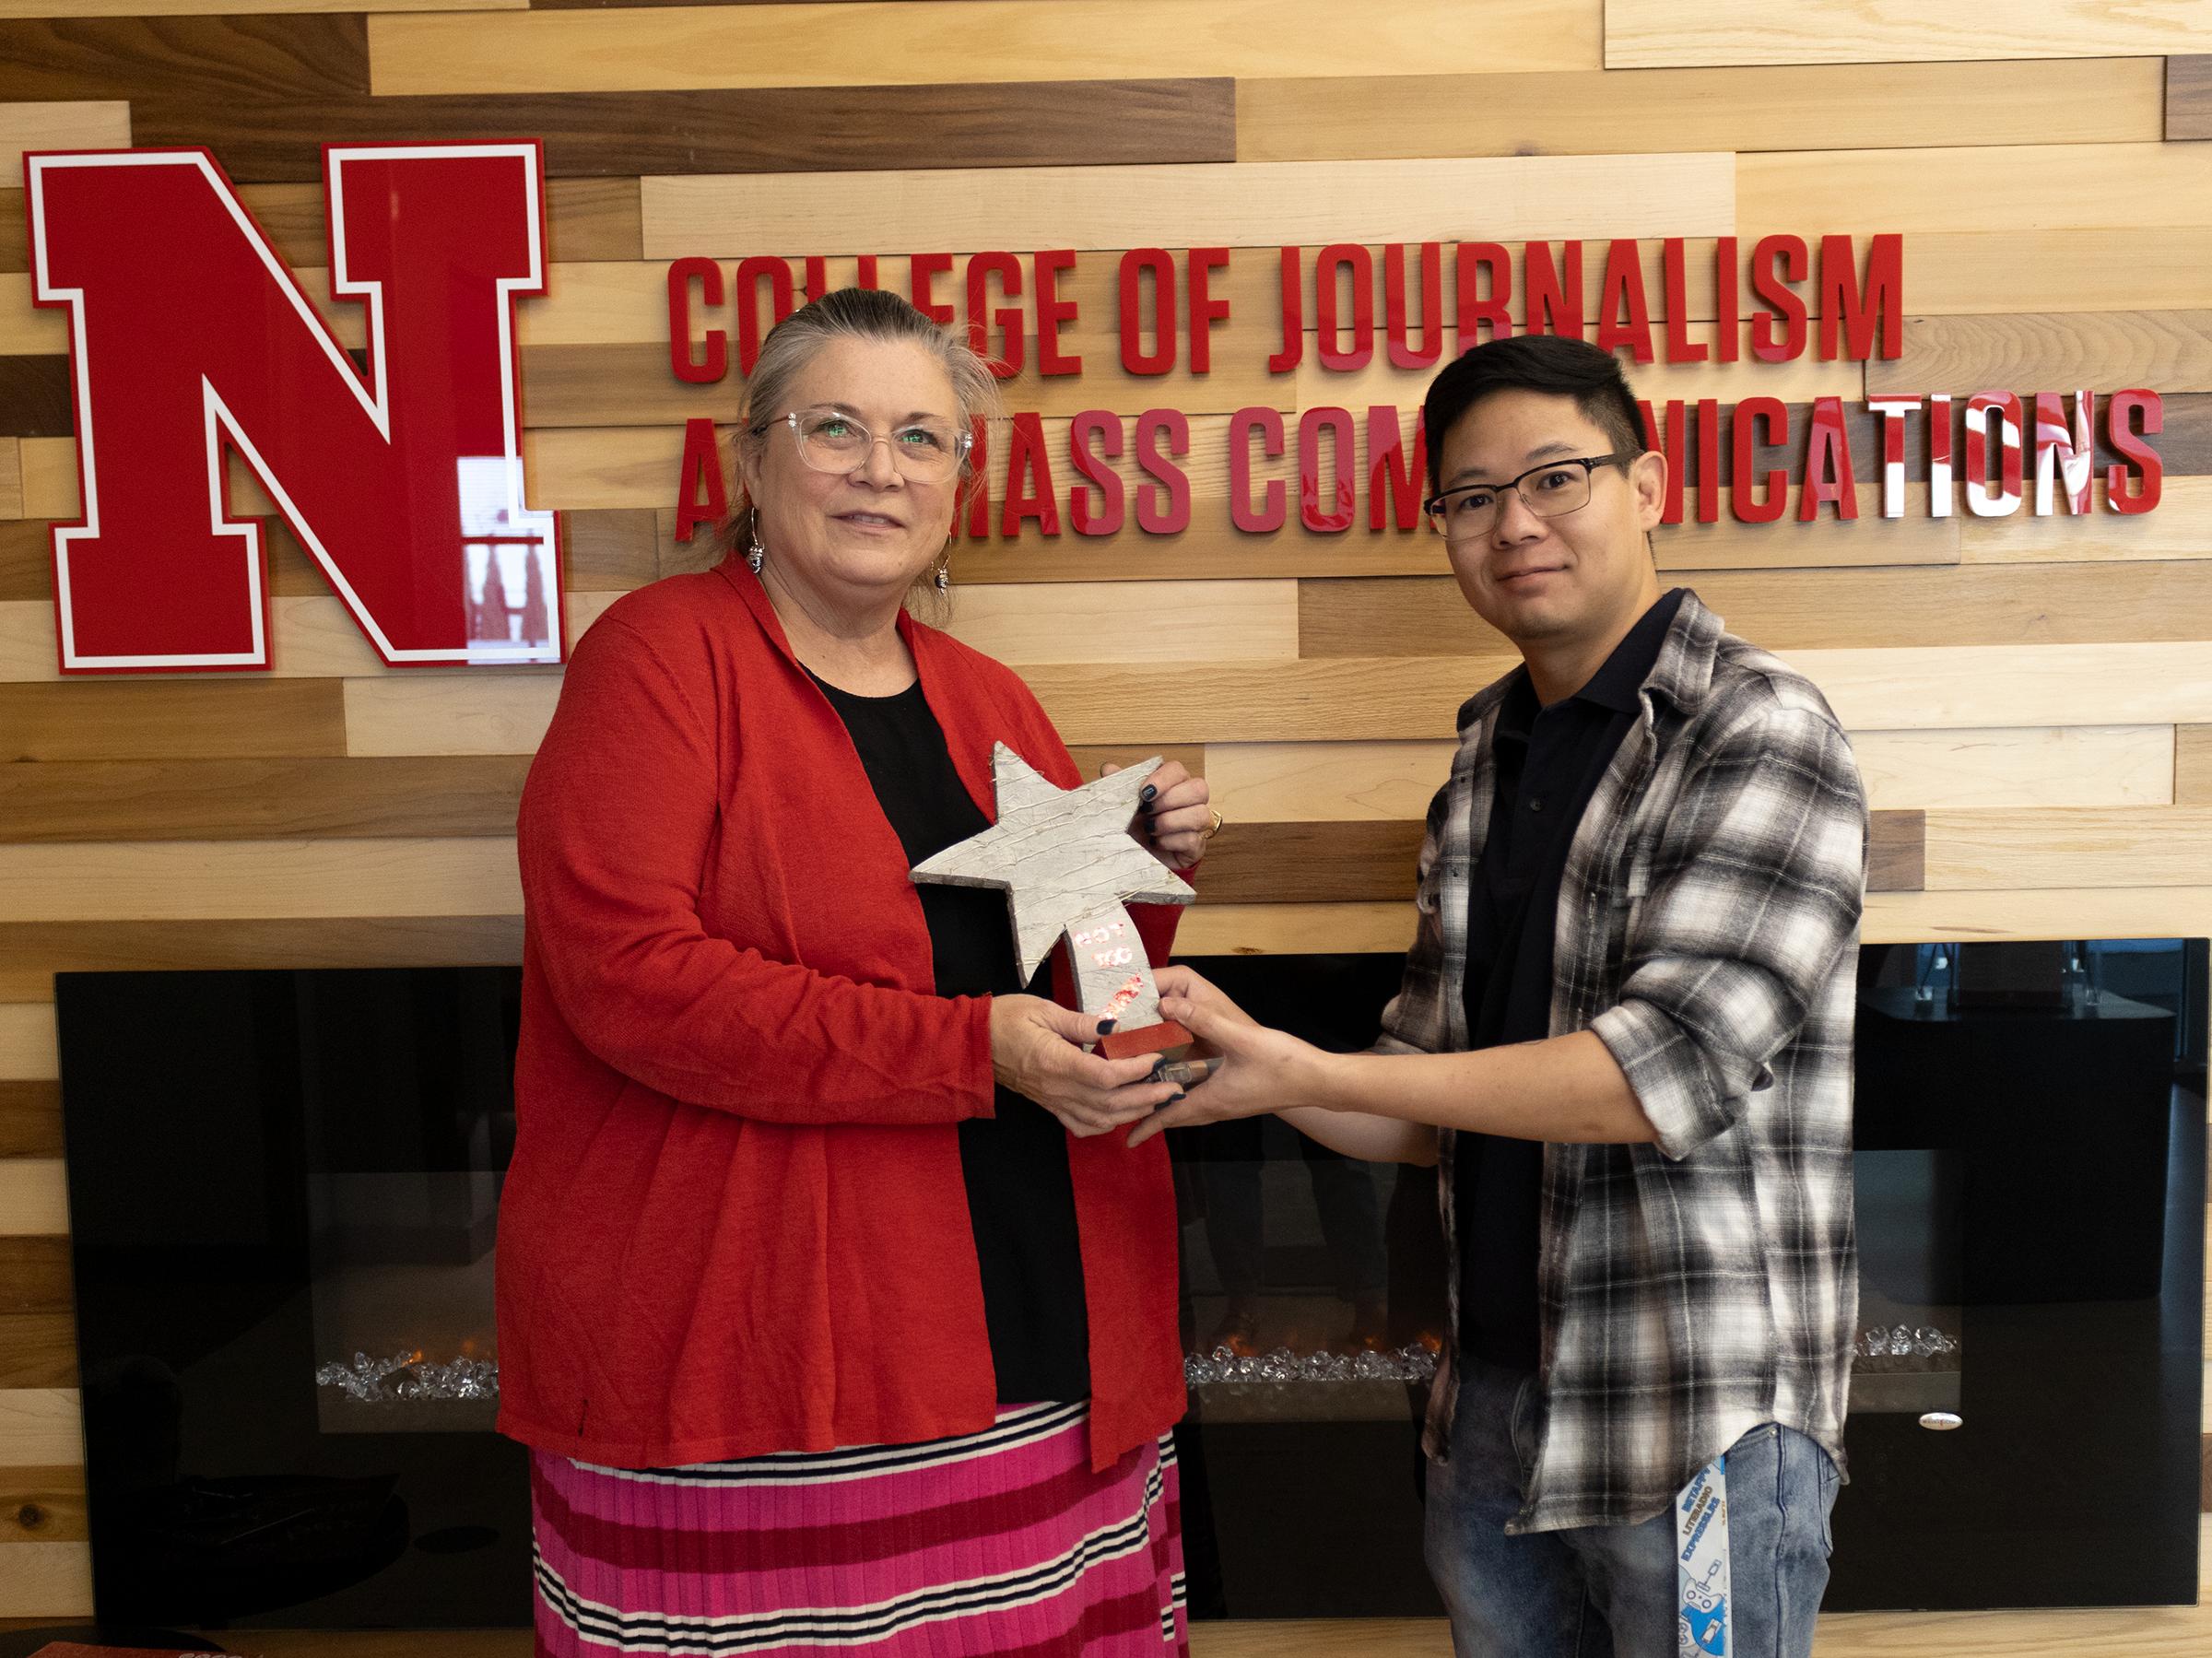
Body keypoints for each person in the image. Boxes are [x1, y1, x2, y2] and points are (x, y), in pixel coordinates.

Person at [499, 287, 1214, 1656]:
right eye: (835, 428)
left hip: (1038, 1326)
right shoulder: (657, 660)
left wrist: (1147, 867)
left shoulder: (991, 697)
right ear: (751, 462)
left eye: (921, 439)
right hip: (767, 1351)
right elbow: (628, 979)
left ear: (960, 480)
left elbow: (1095, 990)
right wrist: (967, 1051)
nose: (880, 469)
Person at [1137, 335, 1866, 1658]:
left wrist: (1317, 1072)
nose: (1512, 524)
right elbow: (1425, 1100)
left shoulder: (1760, 729)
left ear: (1646, 485)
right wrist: (1240, 1066)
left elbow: (1660, 1077)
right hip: (1491, 1411)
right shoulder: (1482, 766)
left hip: (1692, 1424)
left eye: (1554, 478)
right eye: (1471, 499)